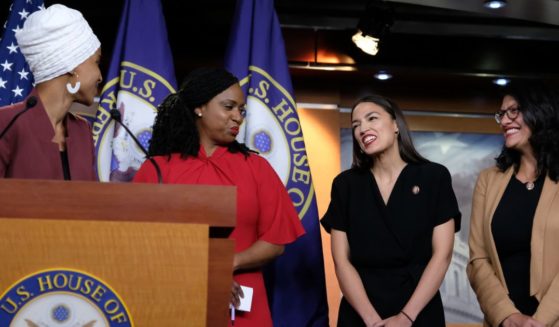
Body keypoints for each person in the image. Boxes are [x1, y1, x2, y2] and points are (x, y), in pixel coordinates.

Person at [133, 67, 305, 326]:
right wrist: (202, 268)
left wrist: (227, 264)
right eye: (229, 107)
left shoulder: (257, 168)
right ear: (199, 107)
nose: (238, 117)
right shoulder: (157, 169)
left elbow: (274, 241)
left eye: (241, 110)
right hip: (172, 294)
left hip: (241, 300)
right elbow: (137, 241)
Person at [321, 95, 461, 327]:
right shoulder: (345, 185)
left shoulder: (434, 176)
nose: (362, 128)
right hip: (361, 312)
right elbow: (341, 260)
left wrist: (406, 317)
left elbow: (442, 255)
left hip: (419, 311)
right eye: (356, 125)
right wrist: (372, 320)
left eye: (371, 118)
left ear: (396, 125)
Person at [467, 83, 559, 327]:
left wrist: (541, 321)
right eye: (501, 114)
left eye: (513, 111)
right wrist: (507, 316)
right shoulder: (488, 180)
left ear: (541, 112)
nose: (504, 120)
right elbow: (478, 259)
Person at [0, 4, 101, 180]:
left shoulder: (82, 131)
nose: (100, 76)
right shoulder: (6, 123)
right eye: (96, 62)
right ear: (72, 64)